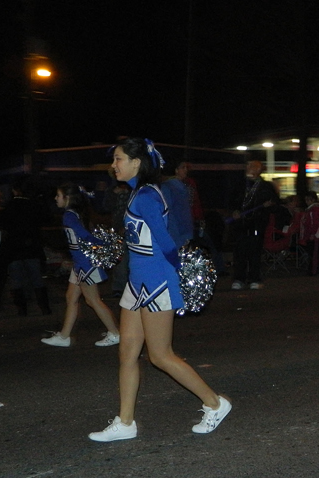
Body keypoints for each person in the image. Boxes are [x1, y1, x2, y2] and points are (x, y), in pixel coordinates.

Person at [89, 138, 231, 442]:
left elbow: (165, 241)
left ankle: (215, 403)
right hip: (137, 282)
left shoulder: (145, 196)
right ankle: (126, 422)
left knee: (160, 355)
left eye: (118, 159)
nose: (113, 165)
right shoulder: (138, 192)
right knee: (127, 353)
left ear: (136, 162)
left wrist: (177, 273)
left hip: (155, 282)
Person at [41, 183, 120, 348]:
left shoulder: (69, 216)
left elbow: (84, 235)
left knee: (92, 300)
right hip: (79, 263)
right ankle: (64, 336)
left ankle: (115, 333)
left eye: (58, 195)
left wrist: (103, 243)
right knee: (71, 298)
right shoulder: (76, 213)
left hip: (85, 264)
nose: (55, 198)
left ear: (67, 198)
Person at [0, 177, 52, 315]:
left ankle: (22, 309)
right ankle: (44, 307)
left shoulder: (9, 207)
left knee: (16, 279)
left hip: (14, 247)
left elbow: (2, 223)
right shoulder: (34, 205)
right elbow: (46, 219)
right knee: (37, 277)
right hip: (32, 246)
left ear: (15, 191)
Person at [229, 160, 279, 290]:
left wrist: (269, 205)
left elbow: (275, 204)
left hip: (257, 224)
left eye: (251, 166)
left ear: (258, 170)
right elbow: (231, 200)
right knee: (240, 252)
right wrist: (234, 211)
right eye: (248, 165)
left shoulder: (265, 186)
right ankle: (239, 279)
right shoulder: (240, 184)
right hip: (241, 224)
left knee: (254, 252)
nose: (248, 168)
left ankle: (254, 278)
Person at [160, 161, 195, 248]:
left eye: (186, 167)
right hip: (178, 232)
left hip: (182, 231)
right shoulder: (168, 187)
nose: (186, 170)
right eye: (183, 167)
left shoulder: (183, 186)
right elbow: (170, 212)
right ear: (176, 170)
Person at [298, 190, 319, 275]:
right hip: (314, 234)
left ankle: (313, 270)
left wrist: (312, 234)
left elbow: (314, 223)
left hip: (314, 235)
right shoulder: (314, 209)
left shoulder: (313, 210)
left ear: (313, 200)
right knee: (313, 253)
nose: (306, 202)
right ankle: (314, 269)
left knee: (313, 254)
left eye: (308, 200)